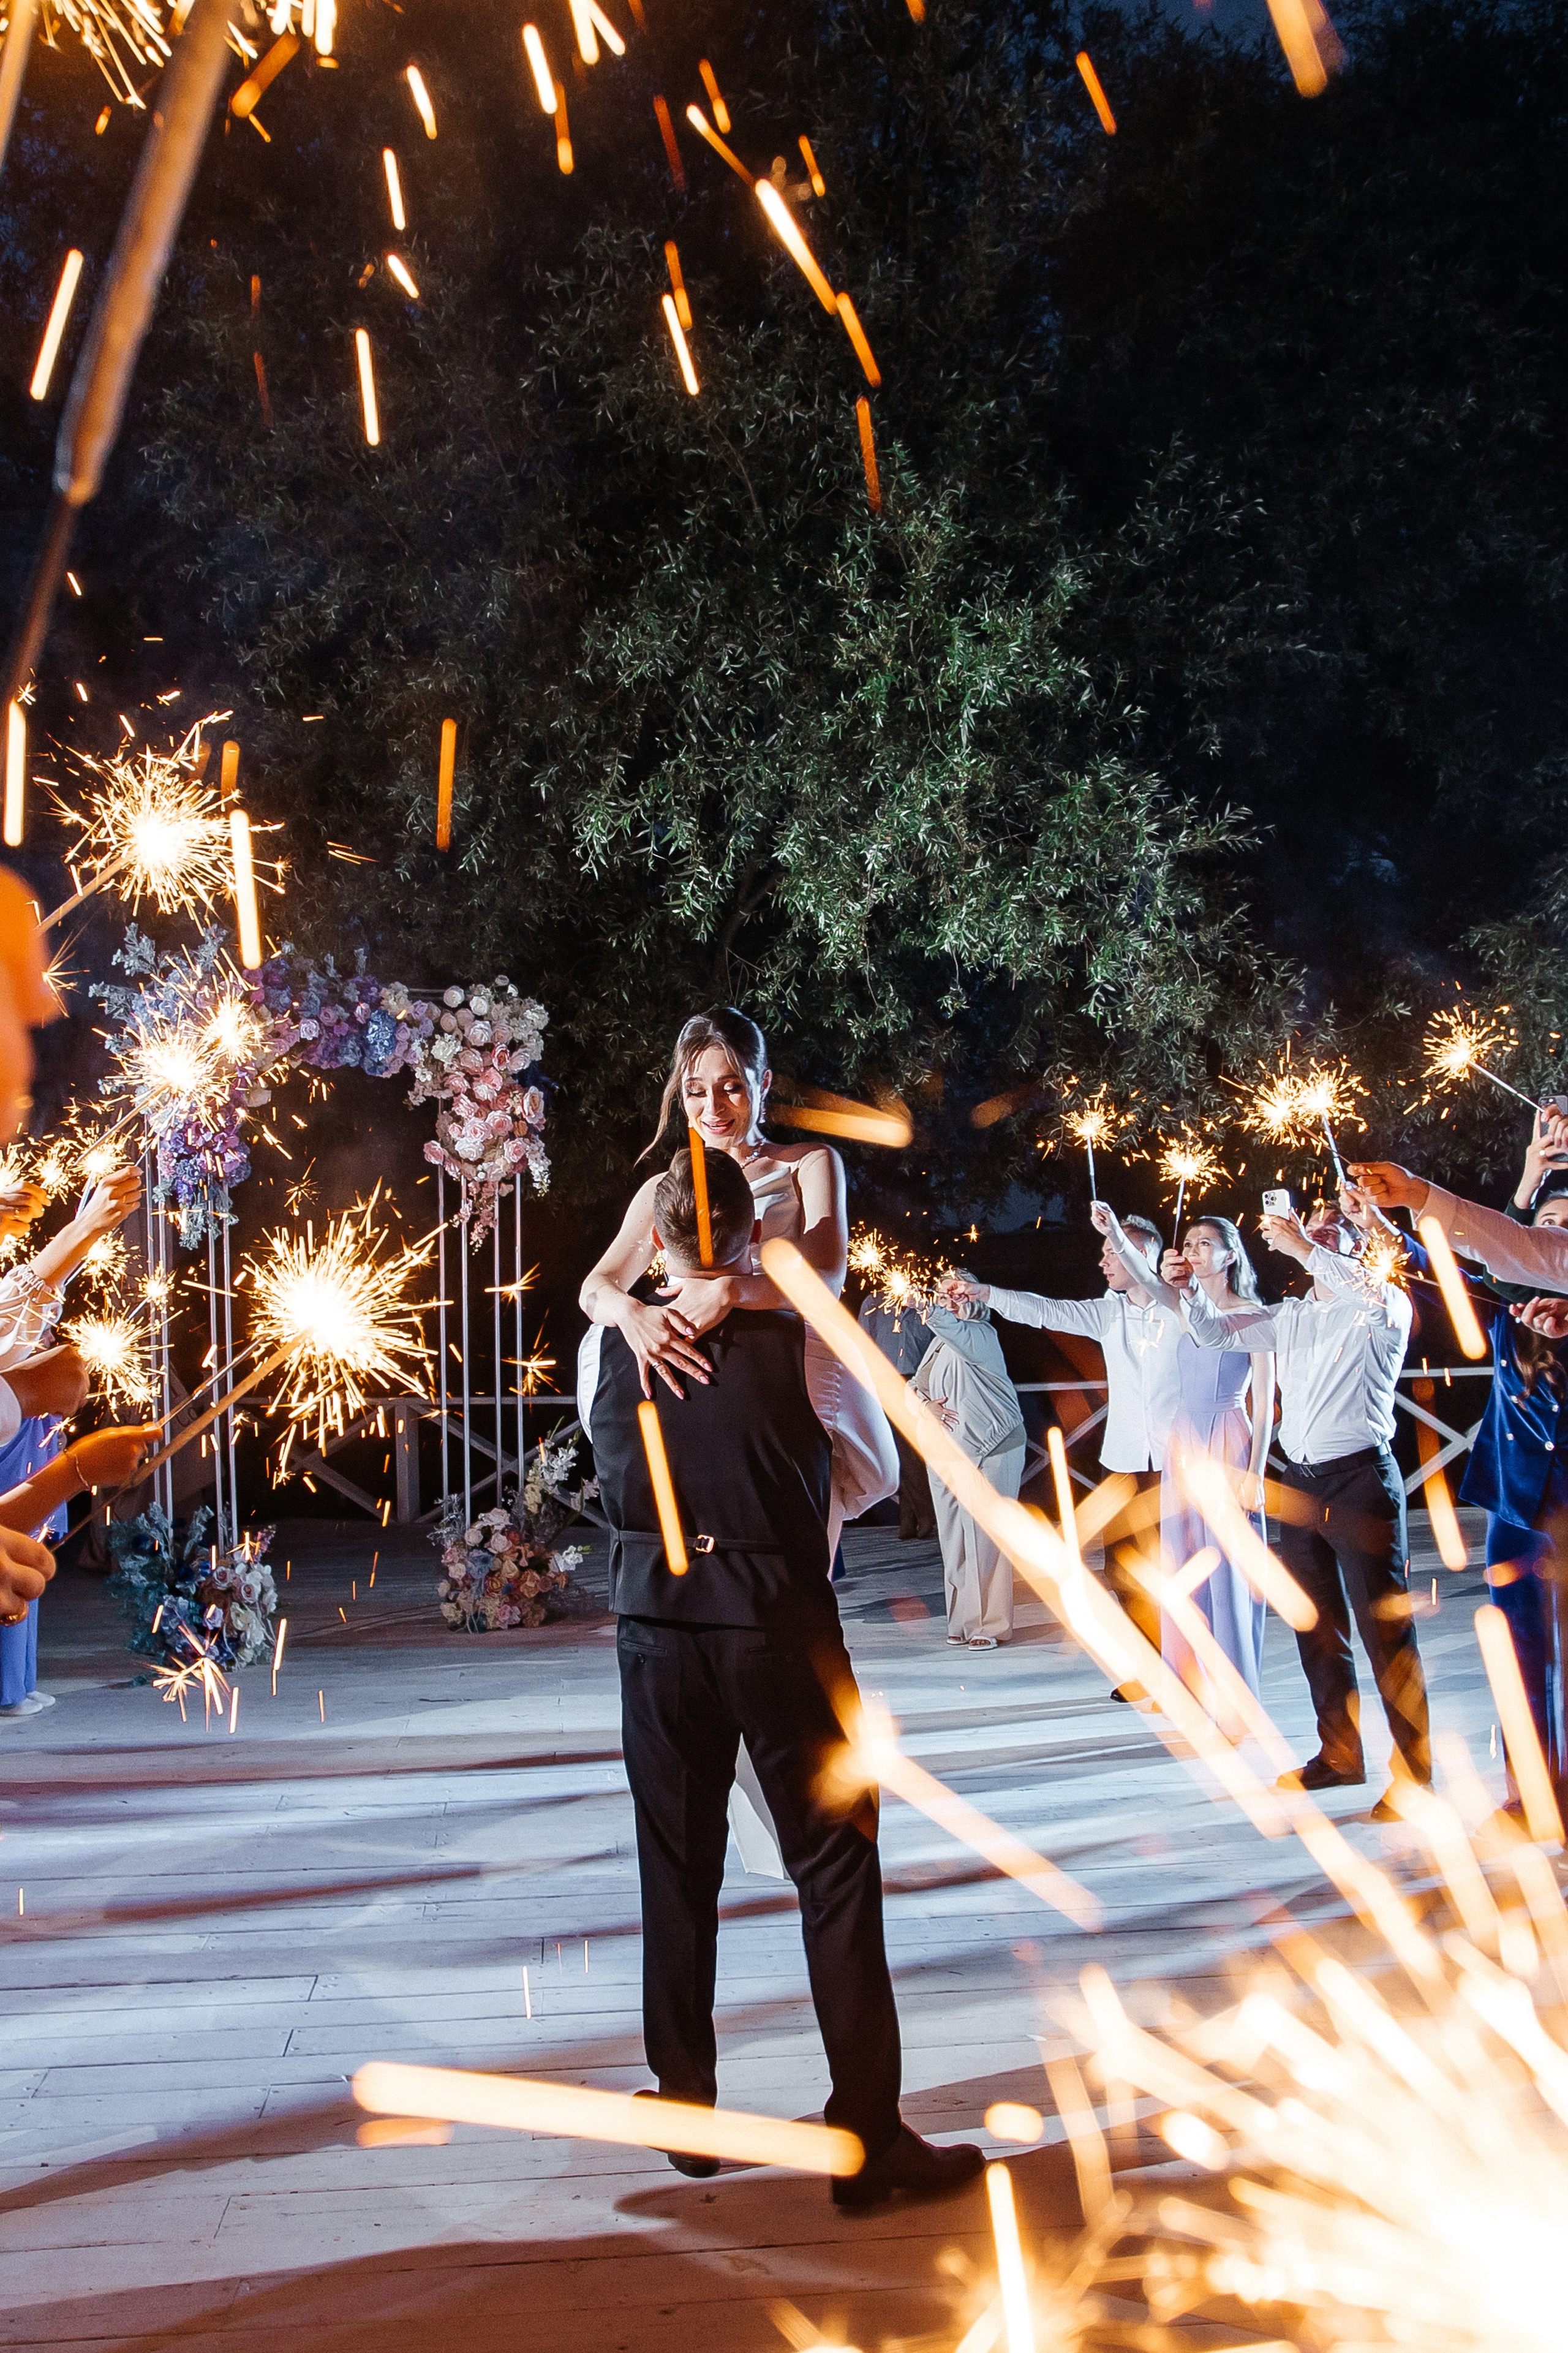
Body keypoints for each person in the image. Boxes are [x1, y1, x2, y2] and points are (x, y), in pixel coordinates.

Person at [578, 1145, 984, 2209]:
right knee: (836, 1869)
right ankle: (866, 2133)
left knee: (675, 1866)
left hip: (654, 1632)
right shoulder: (810, 1339)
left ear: (656, 1242)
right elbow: (869, 1475)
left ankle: (686, 2096)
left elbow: (608, 1462)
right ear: (756, 1236)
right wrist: (779, 1530)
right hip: (776, 1621)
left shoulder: (605, 1347)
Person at [581, 1007, 897, 1552]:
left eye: (731, 1087)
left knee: (811, 1539)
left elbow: (826, 1277)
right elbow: (596, 1288)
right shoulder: (664, 1186)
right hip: (690, 1385)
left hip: (782, 1381)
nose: (713, 1108)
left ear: (763, 1081)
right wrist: (633, 1315)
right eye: (697, 1090)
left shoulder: (806, 1164)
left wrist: (731, 1290)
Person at [1175, 1189, 1428, 1818]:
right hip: (1301, 1483)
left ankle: (1415, 1775)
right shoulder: (1289, 1316)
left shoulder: (1382, 1306)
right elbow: (1209, 1334)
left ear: (1357, 1247)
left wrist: (1306, 1245)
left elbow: (1367, 1290)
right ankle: (1338, 1754)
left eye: (1333, 1229)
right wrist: (1190, 1288)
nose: (1317, 1233)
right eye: (1311, 1227)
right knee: (1316, 1625)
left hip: (1360, 1481)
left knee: (1383, 1629)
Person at [938, 1214, 1182, 1685]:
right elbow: (1046, 1310)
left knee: (1179, 1570)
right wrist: (986, 1293)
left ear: (1144, 1257)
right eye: (1106, 1250)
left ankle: (1186, 1664)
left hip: (1178, 1460)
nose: (1104, 1259)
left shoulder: (1180, 1309)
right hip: (1127, 1461)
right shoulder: (1109, 1313)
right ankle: (1147, 1666)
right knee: (1123, 1570)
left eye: (1114, 1251)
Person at [1095, 1205, 1275, 1712]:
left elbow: (1264, 1401)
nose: (1192, 1250)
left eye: (1203, 1244)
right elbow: (1150, 1284)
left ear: (1229, 1255)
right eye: (1189, 1243)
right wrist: (1115, 1234)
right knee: (1183, 1566)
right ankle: (1186, 1680)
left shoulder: (1254, 1313)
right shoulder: (1181, 1305)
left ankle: (1235, 1693)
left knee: (1228, 1568)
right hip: (1184, 1440)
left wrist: (1257, 1471)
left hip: (1229, 1439)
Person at [906, 1281, 1026, 1648]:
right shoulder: (939, 1343)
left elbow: (953, 1328)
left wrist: (927, 1306)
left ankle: (990, 1625)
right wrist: (926, 1407)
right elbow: (913, 1386)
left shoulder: (980, 1335)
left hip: (993, 1447)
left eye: (956, 1294)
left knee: (987, 1537)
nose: (948, 1302)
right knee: (954, 1539)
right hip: (947, 1452)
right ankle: (962, 1619)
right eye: (943, 1297)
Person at [858, 1288, 936, 1539]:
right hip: (883, 1381)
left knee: (911, 1450)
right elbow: (860, 1342)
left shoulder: (926, 1304)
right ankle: (915, 1515)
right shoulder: (875, 1301)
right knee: (896, 1450)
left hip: (918, 1383)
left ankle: (917, 1515)